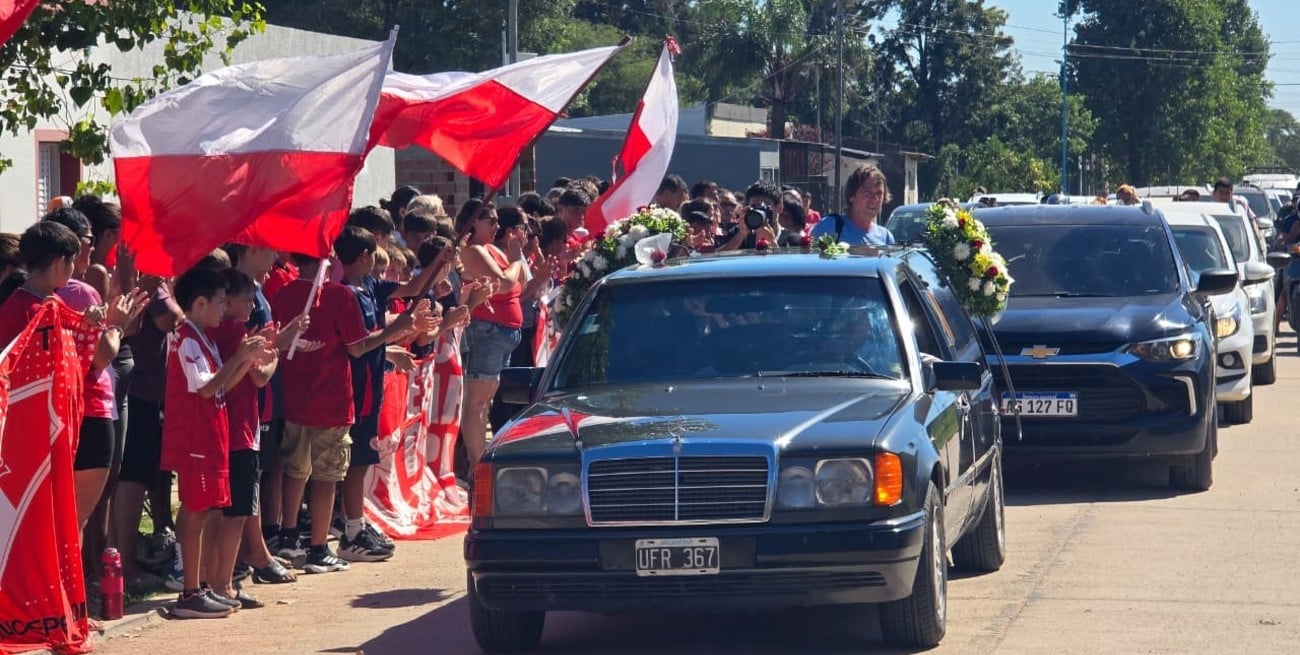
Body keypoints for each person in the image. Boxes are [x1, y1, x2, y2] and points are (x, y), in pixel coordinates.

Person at [270, 252, 415, 573]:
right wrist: (396, 330)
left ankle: (290, 535)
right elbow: (357, 346)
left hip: (295, 397)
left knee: (296, 470)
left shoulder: (284, 293)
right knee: (326, 476)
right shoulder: (337, 295)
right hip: (332, 400)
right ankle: (319, 547)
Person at [163, 265, 273, 619]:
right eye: (220, 303)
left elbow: (220, 384)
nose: (224, 310)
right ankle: (190, 591)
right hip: (196, 439)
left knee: (207, 510)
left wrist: (245, 362)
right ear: (199, 303)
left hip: (212, 438)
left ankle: (202, 585)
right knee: (195, 513)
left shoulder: (204, 337)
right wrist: (240, 358)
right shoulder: (187, 338)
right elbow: (206, 386)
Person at [203, 268, 291, 608]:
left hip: (238, 427)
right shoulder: (233, 330)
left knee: (230, 511)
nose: (252, 304)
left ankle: (219, 581)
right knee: (235, 512)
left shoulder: (227, 330)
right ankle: (222, 583)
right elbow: (259, 377)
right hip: (238, 430)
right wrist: (277, 350)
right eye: (246, 299)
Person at [455, 199, 527, 464]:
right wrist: (517, 258)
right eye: (492, 221)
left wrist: (515, 257)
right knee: (476, 403)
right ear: (474, 222)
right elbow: (505, 283)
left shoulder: (492, 250)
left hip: (500, 333)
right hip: (486, 331)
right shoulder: (474, 250)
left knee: (484, 403)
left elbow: (522, 283)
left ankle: (479, 460)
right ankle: (477, 464)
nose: (497, 226)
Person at [808, 165, 897, 246]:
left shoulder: (886, 238)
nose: (875, 199)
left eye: (879, 194)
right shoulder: (830, 227)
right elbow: (810, 261)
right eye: (867, 194)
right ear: (852, 196)